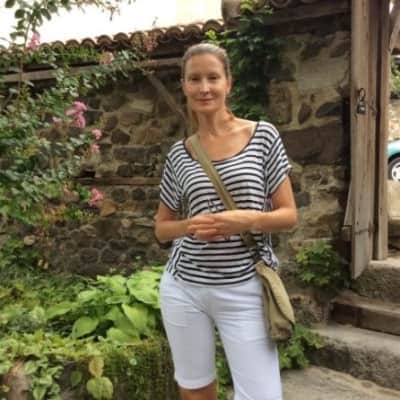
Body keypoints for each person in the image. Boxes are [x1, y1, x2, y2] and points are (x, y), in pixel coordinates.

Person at [154, 42, 297, 400]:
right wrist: (190, 226)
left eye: (213, 78)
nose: (204, 88)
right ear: (184, 85)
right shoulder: (180, 153)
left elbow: (288, 215)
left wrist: (246, 221)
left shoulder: (262, 136)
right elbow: (162, 228)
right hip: (184, 288)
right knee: (195, 390)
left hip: (244, 287)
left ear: (228, 83)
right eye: (194, 79)